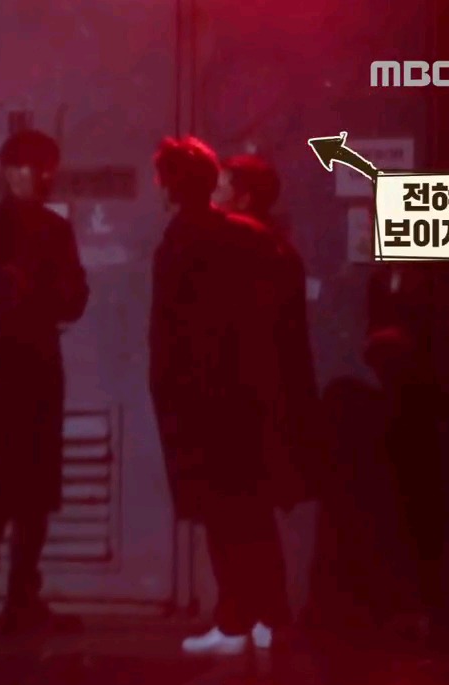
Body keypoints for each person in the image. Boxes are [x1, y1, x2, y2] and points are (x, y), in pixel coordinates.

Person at [150, 138, 310, 655]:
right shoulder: (258, 241)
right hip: (249, 400)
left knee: (223, 515)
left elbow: (169, 336)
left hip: (203, 403)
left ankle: (237, 617)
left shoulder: (182, 241)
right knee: (251, 511)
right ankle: (266, 617)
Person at [0, 129, 90, 634]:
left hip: (6, 368)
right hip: (15, 367)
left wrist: (33, 289)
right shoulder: (30, 229)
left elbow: (64, 296)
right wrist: (44, 293)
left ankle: (0, 594)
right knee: (11, 491)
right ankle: (3, 594)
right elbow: (63, 296)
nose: (28, 177)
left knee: (12, 491)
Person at [365, 264, 444, 638]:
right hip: (402, 412)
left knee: (415, 510)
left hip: (419, 411)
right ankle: (410, 605)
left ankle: (419, 605)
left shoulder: (423, 280)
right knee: (404, 510)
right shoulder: (383, 278)